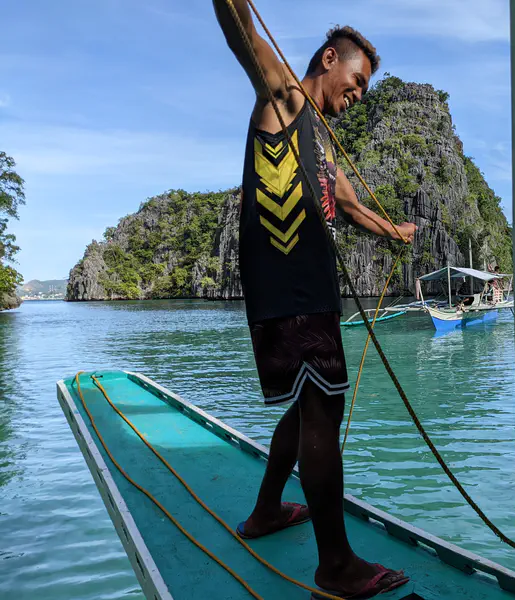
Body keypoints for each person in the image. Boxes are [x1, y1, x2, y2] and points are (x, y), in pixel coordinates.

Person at [212, 1, 417, 597]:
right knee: (323, 409)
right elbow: (243, 33)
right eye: (356, 82)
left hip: (303, 287)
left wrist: (397, 234)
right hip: (292, 282)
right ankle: (335, 567)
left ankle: (268, 511)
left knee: (308, 405)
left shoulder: (322, 143)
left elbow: (351, 210)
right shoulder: (286, 100)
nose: (358, 95)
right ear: (330, 60)